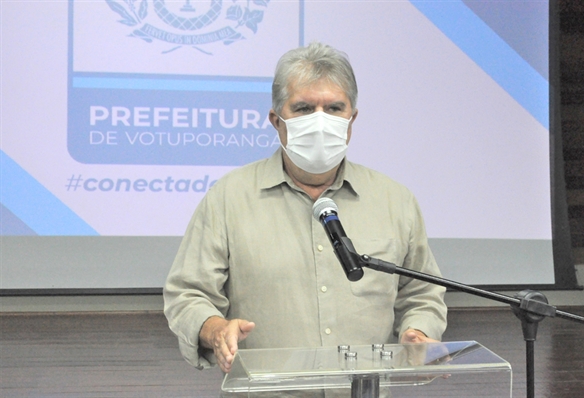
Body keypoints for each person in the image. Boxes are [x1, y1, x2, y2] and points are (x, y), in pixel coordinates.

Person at [163, 42, 447, 375]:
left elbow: (421, 291)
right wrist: (214, 330)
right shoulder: (228, 198)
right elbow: (188, 293)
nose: (320, 121)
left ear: (351, 119)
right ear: (276, 119)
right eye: (303, 108)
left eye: (334, 108)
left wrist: (418, 331)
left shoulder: (394, 200)